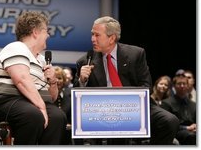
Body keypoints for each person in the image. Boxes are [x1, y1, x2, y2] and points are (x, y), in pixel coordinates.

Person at [73, 16, 179, 145]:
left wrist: (125, 104)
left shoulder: (136, 54)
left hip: (135, 106)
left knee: (170, 121)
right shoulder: (85, 62)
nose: (92, 39)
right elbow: (77, 98)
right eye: (92, 34)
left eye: (97, 35)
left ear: (112, 38)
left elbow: (146, 86)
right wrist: (82, 80)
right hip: (102, 110)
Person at [0, 11, 67, 145]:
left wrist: (53, 82)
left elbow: (52, 98)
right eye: (46, 31)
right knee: (33, 115)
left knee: (58, 117)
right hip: (4, 99)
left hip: (30, 102)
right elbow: (21, 80)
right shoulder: (16, 47)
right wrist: (42, 108)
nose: (48, 35)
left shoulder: (42, 60)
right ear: (35, 32)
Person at [160, 74, 196, 145]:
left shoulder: (194, 104)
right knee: (191, 136)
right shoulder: (166, 103)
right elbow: (166, 125)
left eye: (184, 84)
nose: (182, 86)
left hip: (193, 131)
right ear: (174, 86)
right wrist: (186, 128)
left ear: (188, 86)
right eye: (179, 84)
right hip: (177, 132)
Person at [54, 66, 72, 145]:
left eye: (60, 78)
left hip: (67, 136)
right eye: (55, 78)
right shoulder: (45, 97)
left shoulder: (70, 96)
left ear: (64, 80)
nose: (57, 81)